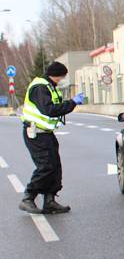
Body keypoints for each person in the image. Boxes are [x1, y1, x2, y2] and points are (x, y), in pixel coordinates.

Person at [18, 61, 84, 214]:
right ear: (57, 75)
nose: (62, 79)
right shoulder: (40, 87)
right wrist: (72, 102)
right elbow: (49, 109)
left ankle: (49, 200)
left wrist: (70, 103)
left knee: (55, 167)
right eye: (62, 76)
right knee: (46, 166)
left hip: (46, 133)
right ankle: (28, 197)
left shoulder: (49, 86)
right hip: (36, 133)